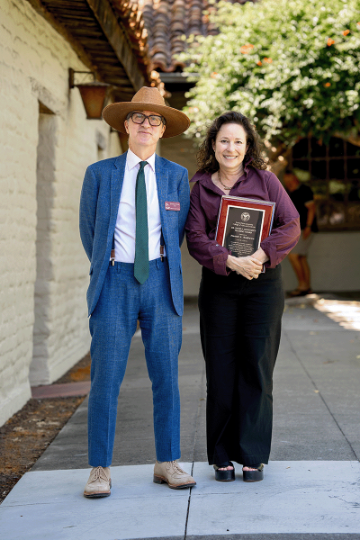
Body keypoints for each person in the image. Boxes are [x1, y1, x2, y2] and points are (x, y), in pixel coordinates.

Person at [79, 87, 196, 497]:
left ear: (164, 129)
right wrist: (110, 263)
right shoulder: (100, 174)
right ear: (126, 124)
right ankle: (99, 469)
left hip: (161, 283)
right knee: (105, 378)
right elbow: (89, 232)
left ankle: (167, 462)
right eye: (140, 118)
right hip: (114, 282)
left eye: (155, 120)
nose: (147, 125)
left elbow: (177, 232)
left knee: (166, 377)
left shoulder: (176, 178)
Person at [185, 112, 300, 482]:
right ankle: (221, 454)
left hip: (262, 286)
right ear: (213, 145)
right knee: (220, 371)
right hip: (219, 286)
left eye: (238, 141)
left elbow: (291, 224)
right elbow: (196, 236)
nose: (230, 148)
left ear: (248, 146)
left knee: (256, 367)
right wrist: (230, 261)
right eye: (223, 141)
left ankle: (252, 453)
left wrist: (259, 256)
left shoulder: (266, 182)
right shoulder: (200, 187)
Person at [283, 169, 318, 296]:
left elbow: (312, 209)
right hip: (294, 229)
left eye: (290, 181)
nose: (289, 184)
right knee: (301, 257)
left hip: (305, 229)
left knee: (293, 256)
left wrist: (308, 226)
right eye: (286, 182)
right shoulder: (288, 192)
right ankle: (306, 287)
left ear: (295, 179)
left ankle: (302, 286)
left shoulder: (305, 190)